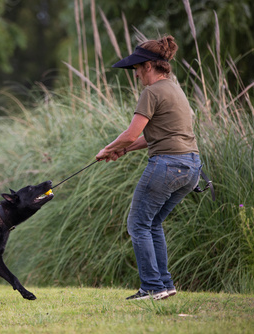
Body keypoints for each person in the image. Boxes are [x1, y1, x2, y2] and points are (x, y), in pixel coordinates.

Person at [95, 35, 201, 300]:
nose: (136, 74)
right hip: (191, 166)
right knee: (152, 223)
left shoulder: (151, 92)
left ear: (149, 66)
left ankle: (152, 287)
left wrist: (108, 149)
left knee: (138, 224)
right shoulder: (174, 89)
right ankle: (164, 284)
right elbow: (154, 136)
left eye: (137, 68)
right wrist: (122, 150)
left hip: (167, 165)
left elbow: (131, 134)